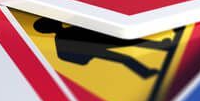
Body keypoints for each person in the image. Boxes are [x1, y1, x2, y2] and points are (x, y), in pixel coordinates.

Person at [32, 18, 173, 79]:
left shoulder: (68, 31)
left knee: (126, 41)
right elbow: (67, 55)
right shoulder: (63, 37)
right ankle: (147, 71)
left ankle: (160, 46)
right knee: (125, 57)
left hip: (93, 43)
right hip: (89, 50)